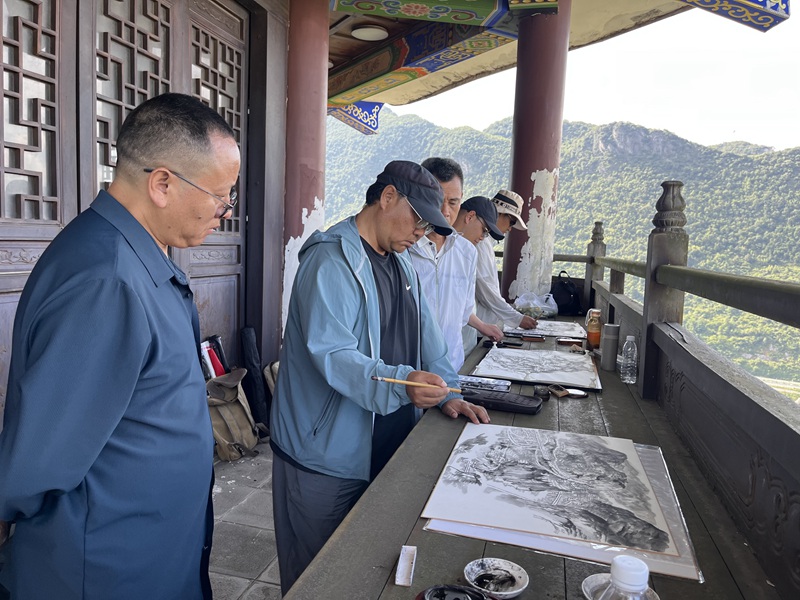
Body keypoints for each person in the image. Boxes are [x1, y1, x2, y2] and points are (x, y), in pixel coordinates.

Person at [0, 93, 240, 599]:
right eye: (221, 197)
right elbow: (39, 461)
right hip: (106, 564)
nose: (224, 212)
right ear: (162, 183)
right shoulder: (106, 279)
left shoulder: (138, 254)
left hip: (153, 548)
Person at [270, 160, 490, 594]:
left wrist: (447, 391)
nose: (421, 233)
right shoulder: (331, 260)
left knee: (361, 573)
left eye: (429, 227)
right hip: (324, 454)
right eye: (419, 220)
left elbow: (429, 338)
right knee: (317, 578)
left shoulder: (401, 262)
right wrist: (407, 381)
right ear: (387, 197)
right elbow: (335, 357)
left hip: (383, 441)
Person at [410, 160, 503, 370]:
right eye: (437, 200)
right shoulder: (403, 248)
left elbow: (463, 310)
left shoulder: (467, 252)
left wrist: (483, 326)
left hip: (451, 368)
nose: (445, 211)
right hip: (408, 371)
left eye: (453, 202)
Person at [474, 189, 538, 337]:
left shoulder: (486, 242)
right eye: (512, 221)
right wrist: (517, 318)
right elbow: (485, 290)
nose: (510, 228)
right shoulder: (480, 243)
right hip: (480, 328)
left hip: (485, 325)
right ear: (500, 214)